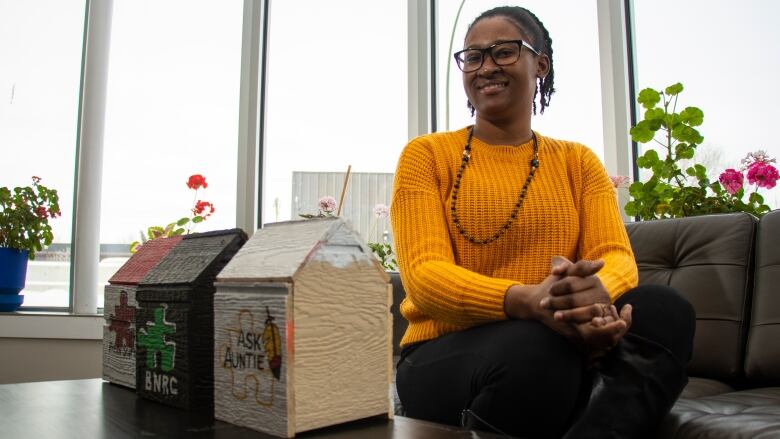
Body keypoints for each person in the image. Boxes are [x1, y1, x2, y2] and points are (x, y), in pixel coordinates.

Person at [390, 6, 695, 439]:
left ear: (541, 65)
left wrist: (594, 298)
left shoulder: (577, 161)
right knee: (537, 345)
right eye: (473, 56)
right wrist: (532, 302)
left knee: (667, 311)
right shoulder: (426, 155)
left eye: (504, 52)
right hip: (444, 353)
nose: (486, 67)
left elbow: (614, 255)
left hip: (564, 341)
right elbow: (424, 276)